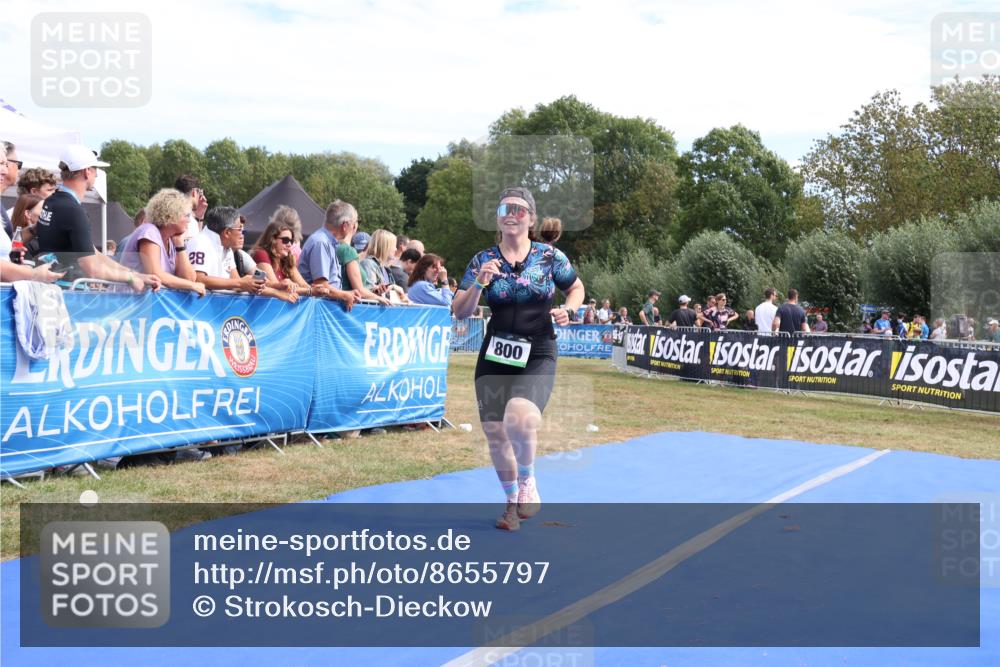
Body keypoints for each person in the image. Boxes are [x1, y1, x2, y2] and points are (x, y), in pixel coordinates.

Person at [452, 186, 584, 531]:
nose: (512, 213)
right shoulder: (482, 260)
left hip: (538, 348)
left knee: (521, 418)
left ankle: (528, 481)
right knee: (496, 432)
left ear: (531, 218)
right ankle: (512, 504)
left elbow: (576, 287)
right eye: (505, 208)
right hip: (495, 352)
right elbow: (460, 310)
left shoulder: (549, 256)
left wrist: (569, 309)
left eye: (519, 209)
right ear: (497, 218)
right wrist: (479, 284)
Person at [35, 145, 160, 292]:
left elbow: (94, 253)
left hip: (52, 290)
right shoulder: (73, 210)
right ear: (87, 172)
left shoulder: (52, 201)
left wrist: (136, 274)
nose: (97, 175)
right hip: (68, 294)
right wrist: (130, 278)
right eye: (95, 170)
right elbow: (92, 269)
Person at [188, 206, 293, 301]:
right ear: (227, 233)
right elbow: (199, 279)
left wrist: (277, 287)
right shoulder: (200, 243)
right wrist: (242, 283)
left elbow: (239, 281)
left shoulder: (227, 247)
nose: (242, 234)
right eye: (240, 230)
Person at [119, 189, 205, 295]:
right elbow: (155, 274)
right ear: (170, 216)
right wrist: (192, 286)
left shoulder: (172, 240)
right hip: (128, 303)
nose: (189, 220)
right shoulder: (149, 231)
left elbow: (189, 278)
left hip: (148, 306)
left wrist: (180, 246)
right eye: (186, 215)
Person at [324, 201, 390, 305]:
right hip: (346, 307)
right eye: (357, 220)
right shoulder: (347, 250)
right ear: (354, 225)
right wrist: (380, 298)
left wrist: (373, 291)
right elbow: (359, 290)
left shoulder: (332, 246)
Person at [297, 200, 358, 309]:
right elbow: (321, 286)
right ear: (345, 225)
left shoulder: (328, 242)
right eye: (353, 224)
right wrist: (345, 295)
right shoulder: (321, 243)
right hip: (314, 310)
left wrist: (347, 295)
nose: (354, 228)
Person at [249, 220, 313, 296]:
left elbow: (303, 284)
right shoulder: (261, 254)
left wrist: (314, 289)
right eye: (285, 240)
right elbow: (277, 287)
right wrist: (310, 291)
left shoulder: (287, 259)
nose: (289, 244)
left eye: (291, 241)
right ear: (272, 239)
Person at [360, 229, 408, 302]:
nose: (395, 249)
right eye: (393, 246)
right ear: (384, 246)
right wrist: (393, 287)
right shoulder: (368, 264)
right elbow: (368, 294)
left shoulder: (386, 269)